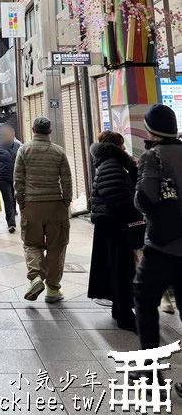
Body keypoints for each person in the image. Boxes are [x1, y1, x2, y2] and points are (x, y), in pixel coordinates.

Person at [133, 104, 182, 375]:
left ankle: (150, 369)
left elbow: (145, 199)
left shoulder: (153, 157)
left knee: (144, 299)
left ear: (151, 129)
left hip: (162, 246)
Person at [14, 116, 72, 304]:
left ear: (33, 130)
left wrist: (21, 201)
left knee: (32, 243)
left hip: (32, 205)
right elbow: (66, 180)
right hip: (56, 205)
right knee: (57, 246)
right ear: (50, 131)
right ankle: (53, 290)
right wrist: (66, 201)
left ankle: (36, 277)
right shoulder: (59, 151)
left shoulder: (24, 150)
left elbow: (18, 179)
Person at [87, 131, 140, 331]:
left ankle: (120, 309)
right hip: (115, 225)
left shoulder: (107, 163)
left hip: (108, 224)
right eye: (122, 144)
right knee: (121, 270)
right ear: (116, 146)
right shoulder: (112, 165)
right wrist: (134, 218)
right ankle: (125, 315)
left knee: (116, 269)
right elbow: (119, 199)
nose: (125, 148)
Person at [0, 123, 22, 233]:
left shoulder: (18, 146)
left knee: (14, 197)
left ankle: (13, 211)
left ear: (13, 134)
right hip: (3, 178)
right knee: (8, 199)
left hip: (16, 177)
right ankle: (11, 223)